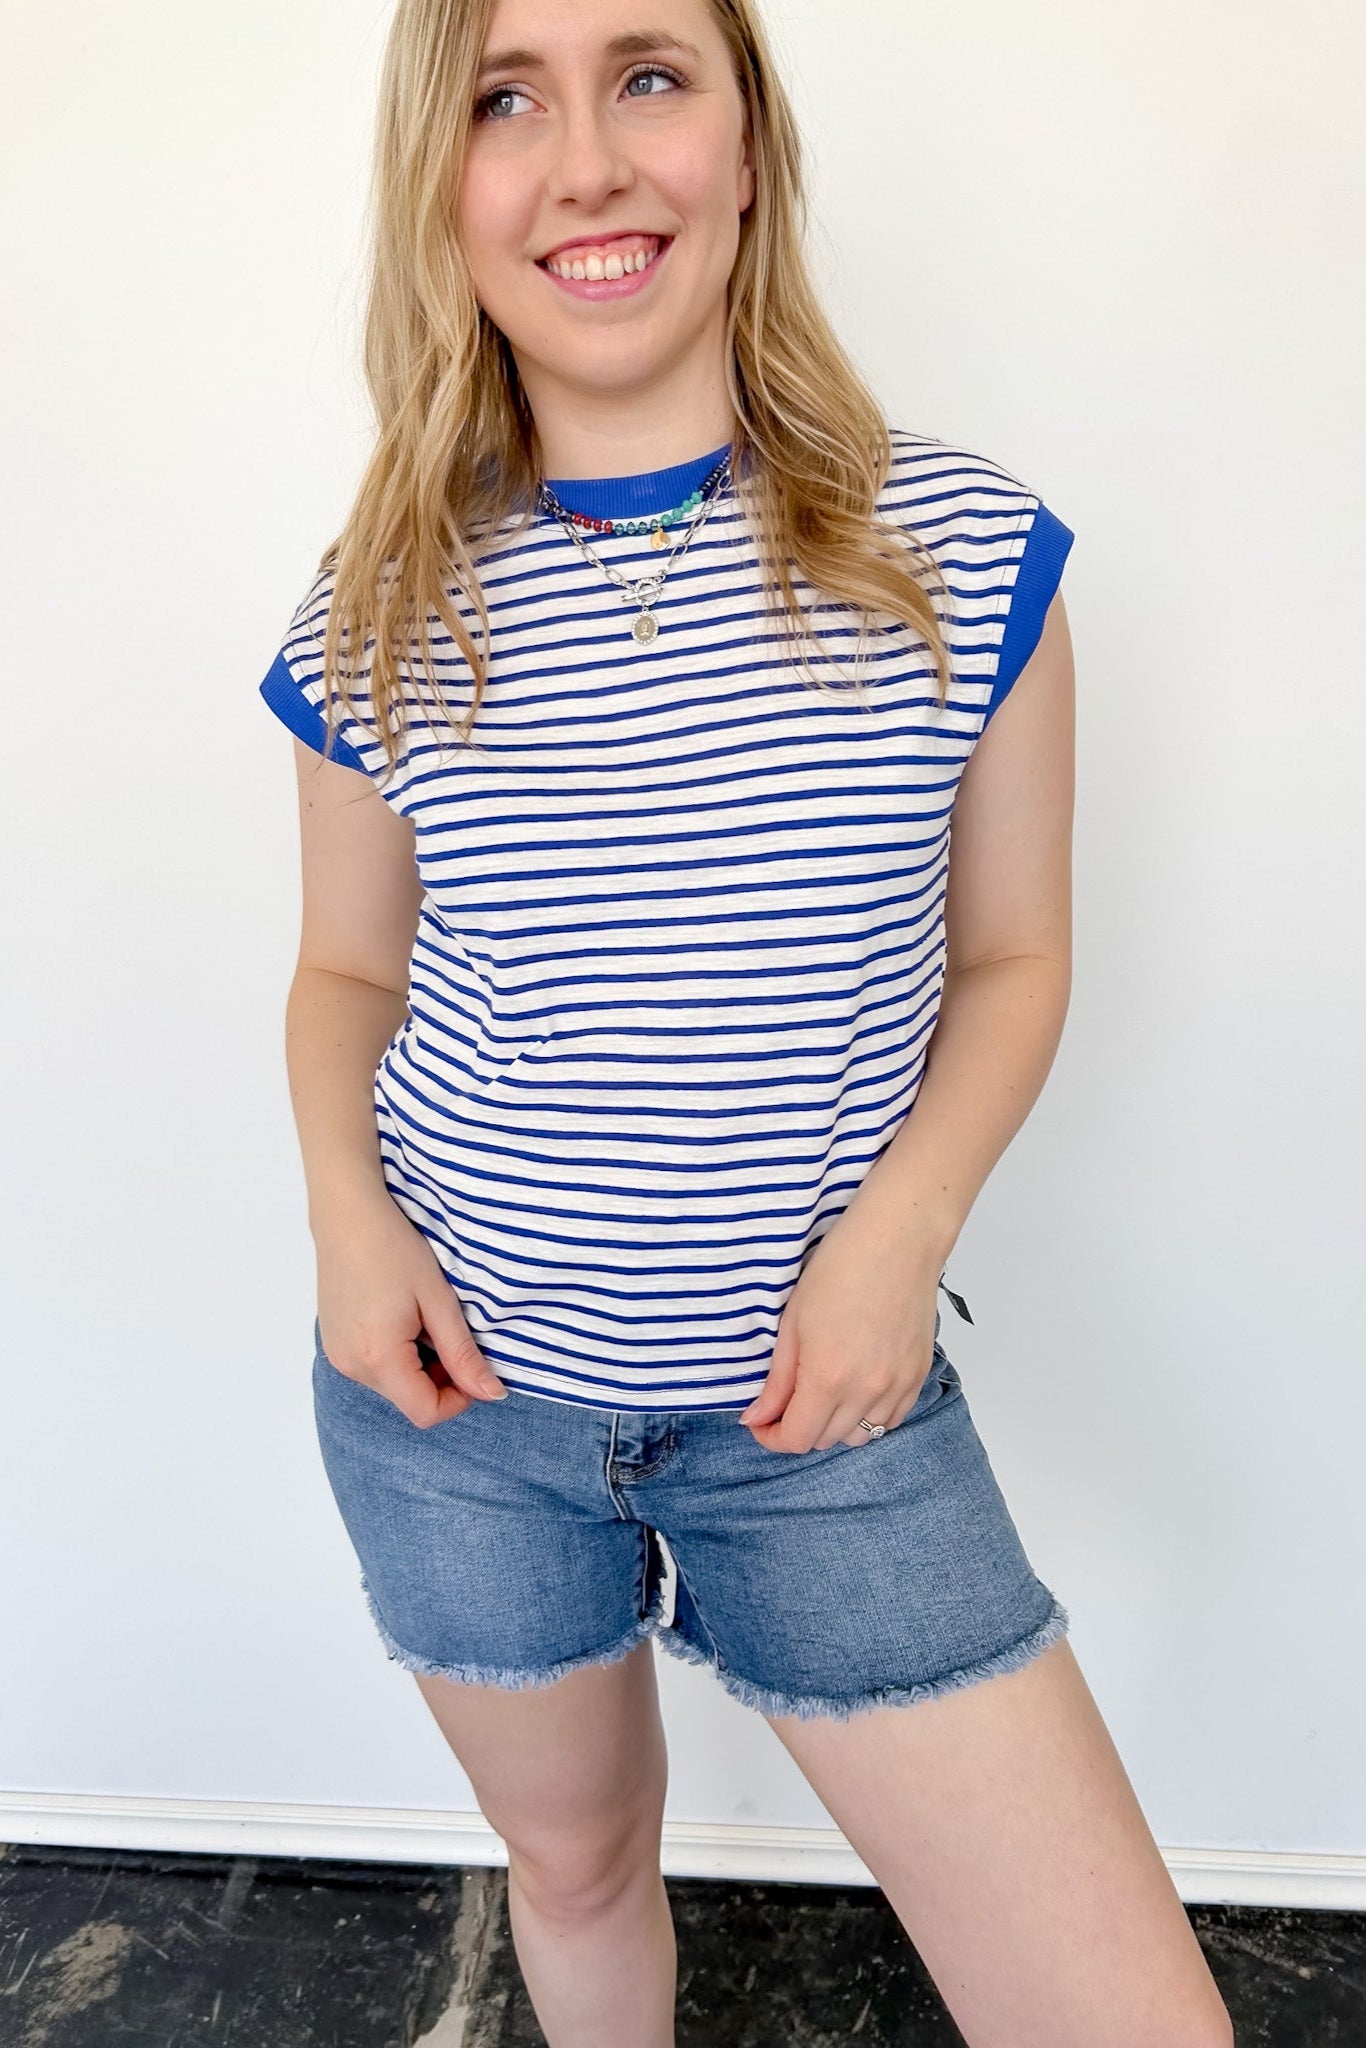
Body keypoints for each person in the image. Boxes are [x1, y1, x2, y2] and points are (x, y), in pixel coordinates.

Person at [257, 2, 1235, 2042]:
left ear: (746, 147)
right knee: (580, 1863)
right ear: (443, 187)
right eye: (506, 100)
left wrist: (900, 1234)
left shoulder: (955, 552)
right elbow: (346, 973)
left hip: (826, 1430)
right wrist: (354, 1227)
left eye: (648, 76)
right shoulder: (380, 594)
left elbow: (1014, 957)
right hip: (458, 1418)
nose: (586, 162)